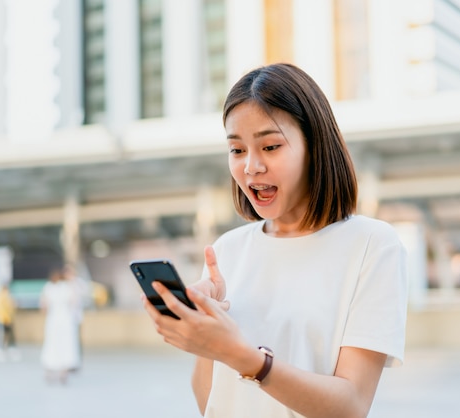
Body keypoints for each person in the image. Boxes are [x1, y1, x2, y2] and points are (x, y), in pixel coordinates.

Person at [142, 63, 408, 418]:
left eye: (270, 146)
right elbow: (210, 400)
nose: (251, 167)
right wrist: (206, 333)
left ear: (314, 146)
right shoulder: (227, 250)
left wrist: (244, 356)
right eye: (237, 150)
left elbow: (351, 405)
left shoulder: (372, 245)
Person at [39, 267, 81, 384]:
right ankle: (64, 371)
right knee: (66, 345)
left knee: (52, 343)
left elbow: (43, 306)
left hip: (53, 319)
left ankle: (49, 369)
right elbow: (74, 302)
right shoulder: (67, 287)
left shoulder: (49, 287)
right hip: (66, 319)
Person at [0, 282, 20, 362]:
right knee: (1, 335)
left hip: (5, 319)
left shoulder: (2, 295)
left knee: (6, 336)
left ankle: (4, 349)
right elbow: (3, 308)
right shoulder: (3, 295)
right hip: (2, 319)